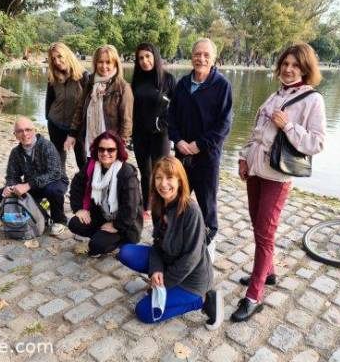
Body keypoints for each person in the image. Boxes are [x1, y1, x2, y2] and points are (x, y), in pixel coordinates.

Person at [232, 43, 326, 322]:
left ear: (305, 69)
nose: (288, 69)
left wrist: (288, 126)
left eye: (295, 65)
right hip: (256, 171)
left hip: (278, 175)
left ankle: (254, 295)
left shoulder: (312, 100)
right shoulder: (275, 95)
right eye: (285, 64)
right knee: (256, 225)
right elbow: (256, 131)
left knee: (265, 233)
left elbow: (317, 142)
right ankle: (268, 272)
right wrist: (243, 157)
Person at [118, 156, 223, 329]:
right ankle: (167, 286)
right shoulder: (159, 205)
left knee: (143, 312)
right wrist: (156, 270)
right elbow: (157, 245)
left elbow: (191, 259)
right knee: (126, 252)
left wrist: (163, 284)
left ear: (180, 181)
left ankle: (202, 301)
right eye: (159, 177)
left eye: (169, 178)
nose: (163, 183)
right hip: (169, 261)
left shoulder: (191, 211)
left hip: (192, 280)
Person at [168, 38, 233, 258]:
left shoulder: (221, 85)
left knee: (207, 203)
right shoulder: (182, 84)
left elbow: (223, 125)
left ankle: (205, 245)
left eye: (206, 55)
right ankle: (175, 237)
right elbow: (171, 118)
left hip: (207, 157)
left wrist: (198, 145)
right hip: (181, 154)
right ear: (191, 56)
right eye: (197, 54)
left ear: (213, 58)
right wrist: (178, 141)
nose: (201, 58)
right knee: (177, 198)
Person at [68, 130, 143, 257]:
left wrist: (116, 225)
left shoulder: (126, 173)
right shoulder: (93, 166)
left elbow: (131, 208)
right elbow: (76, 184)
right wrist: (79, 208)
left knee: (96, 246)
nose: (105, 153)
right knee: (75, 223)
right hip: (102, 215)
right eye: (101, 149)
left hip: (125, 224)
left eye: (110, 150)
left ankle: (119, 241)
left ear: (118, 150)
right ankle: (101, 234)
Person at [0, 116, 69, 236]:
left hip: (55, 181)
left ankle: (60, 220)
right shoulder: (15, 152)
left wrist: (28, 185)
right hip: (32, 186)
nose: (25, 134)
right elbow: (12, 175)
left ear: (34, 130)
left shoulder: (47, 146)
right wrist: (10, 187)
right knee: (0, 194)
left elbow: (55, 173)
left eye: (28, 129)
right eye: (20, 131)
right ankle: (40, 211)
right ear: (15, 134)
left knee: (53, 190)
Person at [131, 43, 176, 219]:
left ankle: (166, 204)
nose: (144, 61)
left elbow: (176, 109)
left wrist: (162, 125)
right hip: (140, 134)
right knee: (146, 172)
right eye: (141, 58)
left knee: (162, 172)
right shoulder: (137, 80)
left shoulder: (168, 80)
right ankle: (147, 207)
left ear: (155, 57)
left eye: (148, 56)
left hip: (160, 135)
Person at [68, 45, 133, 157]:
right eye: (100, 62)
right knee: (92, 172)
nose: (104, 66)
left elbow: (126, 121)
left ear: (115, 64)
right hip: (90, 141)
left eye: (108, 62)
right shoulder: (90, 83)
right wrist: (72, 134)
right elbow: (80, 110)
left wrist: (120, 145)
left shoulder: (123, 87)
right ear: (95, 63)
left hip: (111, 145)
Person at [45, 42, 88, 174]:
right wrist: (48, 117)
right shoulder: (53, 77)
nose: (57, 61)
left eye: (60, 56)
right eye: (53, 59)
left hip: (77, 128)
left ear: (68, 55)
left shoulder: (84, 76)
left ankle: (86, 192)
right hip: (56, 125)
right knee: (58, 165)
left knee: (83, 163)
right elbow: (49, 100)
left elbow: (87, 105)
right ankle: (59, 192)